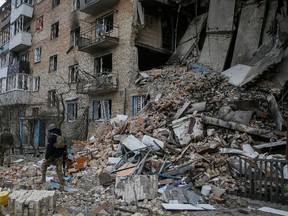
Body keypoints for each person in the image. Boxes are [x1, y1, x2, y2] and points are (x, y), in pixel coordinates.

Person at [37, 124, 66, 190]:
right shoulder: (61, 136)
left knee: (44, 165)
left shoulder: (51, 137)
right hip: (59, 156)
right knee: (59, 170)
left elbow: (49, 148)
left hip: (52, 156)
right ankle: (62, 183)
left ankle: (43, 179)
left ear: (50, 130)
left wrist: (46, 157)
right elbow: (64, 147)